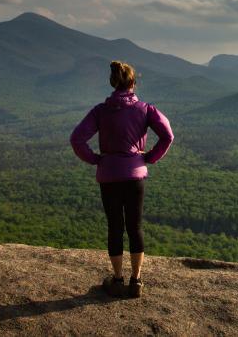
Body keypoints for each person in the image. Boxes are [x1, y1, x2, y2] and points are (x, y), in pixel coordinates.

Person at [70, 61, 174, 299]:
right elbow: (168, 135)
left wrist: (96, 159)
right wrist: (149, 157)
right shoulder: (146, 109)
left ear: (112, 83)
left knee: (115, 227)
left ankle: (117, 280)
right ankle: (136, 281)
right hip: (135, 175)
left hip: (109, 175)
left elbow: (76, 139)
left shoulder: (100, 111)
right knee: (135, 226)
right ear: (133, 83)